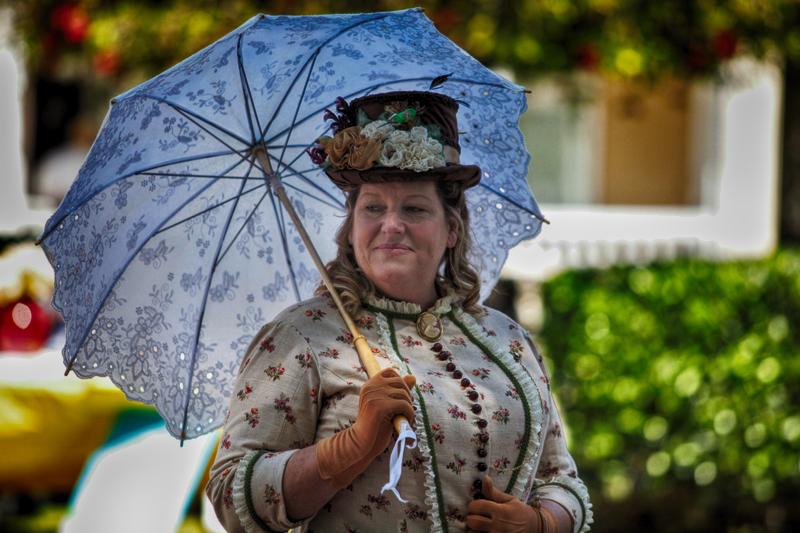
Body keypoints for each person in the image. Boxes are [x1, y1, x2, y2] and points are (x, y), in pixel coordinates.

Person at [206, 90, 592, 532]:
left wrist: (542, 524)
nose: (392, 224)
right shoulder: (302, 337)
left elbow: (561, 478)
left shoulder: (508, 340)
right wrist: (349, 448)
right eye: (373, 207)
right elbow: (230, 498)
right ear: (351, 227)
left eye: (414, 208)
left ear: (451, 228)